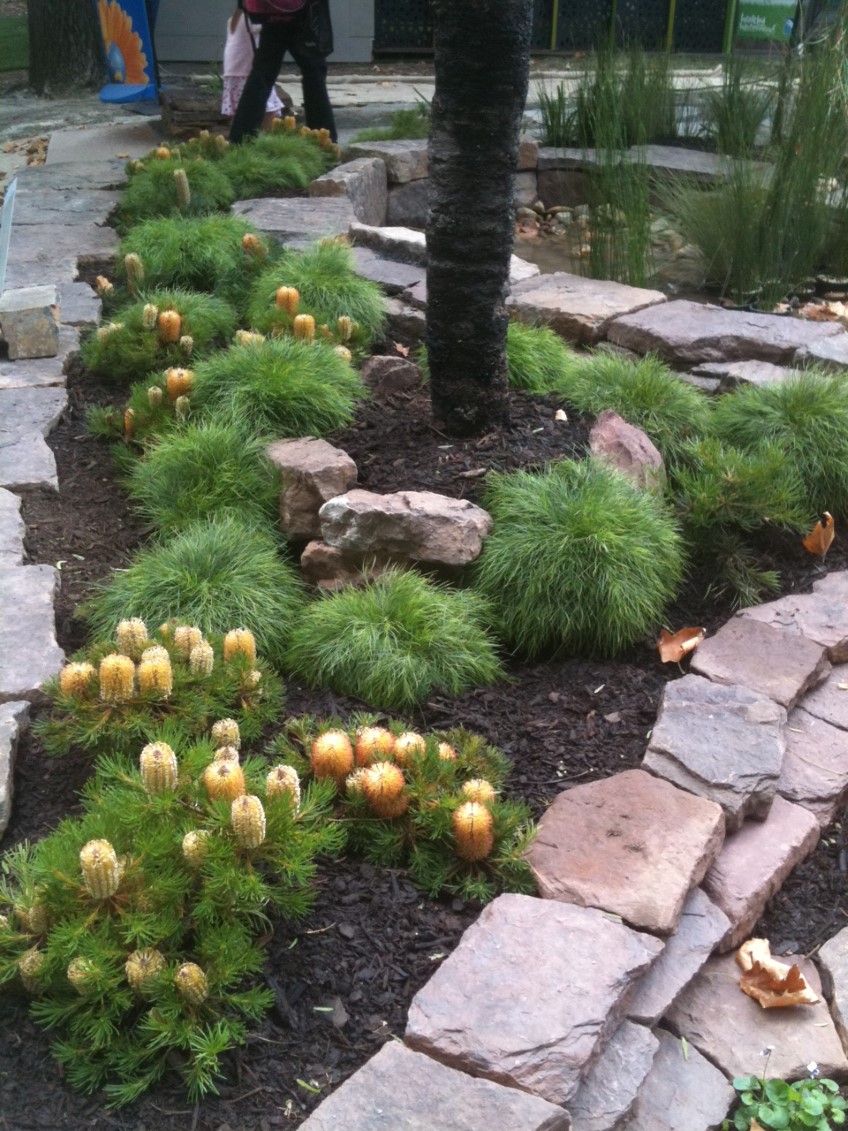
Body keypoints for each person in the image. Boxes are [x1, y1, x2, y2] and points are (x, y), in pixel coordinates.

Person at [229, 0, 337, 145]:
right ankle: (323, 140)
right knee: (314, 72)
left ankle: (240, 140)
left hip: (272, 15)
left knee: (262, 74)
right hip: (304, 14)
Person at [222, 9, 284, 132]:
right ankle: (265, 142)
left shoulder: (234, 19)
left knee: (241, 111)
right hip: (247, 71)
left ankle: (240, 141)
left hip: (235, 72)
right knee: (268, 109)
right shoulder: (252, 20)